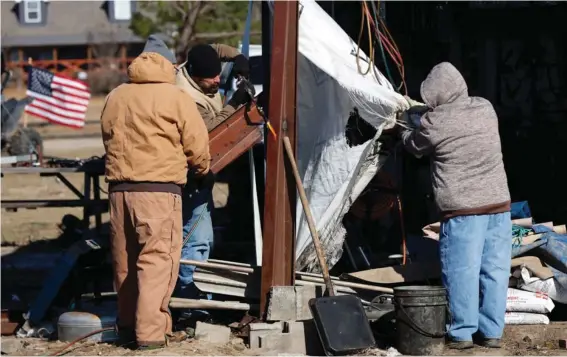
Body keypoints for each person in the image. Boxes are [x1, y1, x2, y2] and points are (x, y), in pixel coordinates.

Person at [101, 34, 211, 349]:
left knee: (125, 261)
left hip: (120, 191)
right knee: (156, 262)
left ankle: (126, 326)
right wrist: (202, 171)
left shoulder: (115, 95)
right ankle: (149, 335)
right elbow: (197, 145)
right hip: (159, 191)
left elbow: (107, 136)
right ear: (169, 65)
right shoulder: (176, 97)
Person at [400, 62, 512, 350]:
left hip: (464, 212)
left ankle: (461, 333)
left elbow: (413, 146)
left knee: (462, 271)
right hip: (499, 206)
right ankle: (492, 332)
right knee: (495, 271)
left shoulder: (436, 123)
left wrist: (403, 126)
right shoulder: (485, 108)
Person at [173, 43, 252, 319]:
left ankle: (194, 299)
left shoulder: (197, 71)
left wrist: (239, 58)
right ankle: (191, 305)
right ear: (194, 75)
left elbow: (214, 48)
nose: (218, 80)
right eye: (211, 78)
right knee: (196, 240)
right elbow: (211, 132)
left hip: (198, 174)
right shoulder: (187, 98)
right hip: (191, 176)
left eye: (219, 74)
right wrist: (236, 102)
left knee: (197, 238)